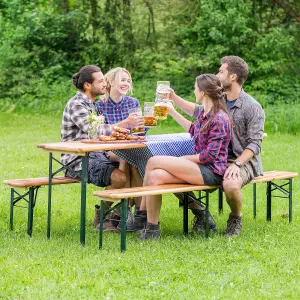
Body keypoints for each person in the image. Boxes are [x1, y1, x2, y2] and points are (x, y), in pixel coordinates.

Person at [167, 56, 265, 237]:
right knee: (171, 174)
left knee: (231, 183)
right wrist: (173, 98)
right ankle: (201, 214)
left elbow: (255, 143)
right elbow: (195, 111)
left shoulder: (252, 107)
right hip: (214, 157)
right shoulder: (218, 100)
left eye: (221, 71)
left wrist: (236, 164)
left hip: (241, 160)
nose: (216, 74)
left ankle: (235, 218)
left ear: (233, 77)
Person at [139, 74, 231, 240]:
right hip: (199, 168)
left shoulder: (219, 118)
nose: (194, 91)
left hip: (211, 172)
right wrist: (172, 111)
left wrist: (183, 159)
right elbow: (192, 129)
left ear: (203, 92)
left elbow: (209, 156)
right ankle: (151, 229)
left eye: (195, 88)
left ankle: (140, 215)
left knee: (153, 161)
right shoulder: (205, 113)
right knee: (154, 176)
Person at [61, 65, 143, 232]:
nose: (104, 84)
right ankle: (106, 214)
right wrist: (125, 124)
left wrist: (126, 133)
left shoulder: (93, 105)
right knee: (120, 178)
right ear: (87, 85)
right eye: (100, 81)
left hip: (97, 155)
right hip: (78, 159)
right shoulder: (76, 104)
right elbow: (95, 131)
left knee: (133, 165)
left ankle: (138, 219)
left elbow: (102, 134)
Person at [95, 67, 145, 230]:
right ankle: (128, 213)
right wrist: (125, 125)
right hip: (108, 149)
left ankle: (132, 213)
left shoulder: (133, 102)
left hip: (129, 146)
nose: (126, 84)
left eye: (128, 81)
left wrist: (143, 126)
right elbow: (101, 132)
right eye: (123, 80)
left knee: (134, 163)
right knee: (128, 158)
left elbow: (139, 131)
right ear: (110, 82)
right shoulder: (100, 105)